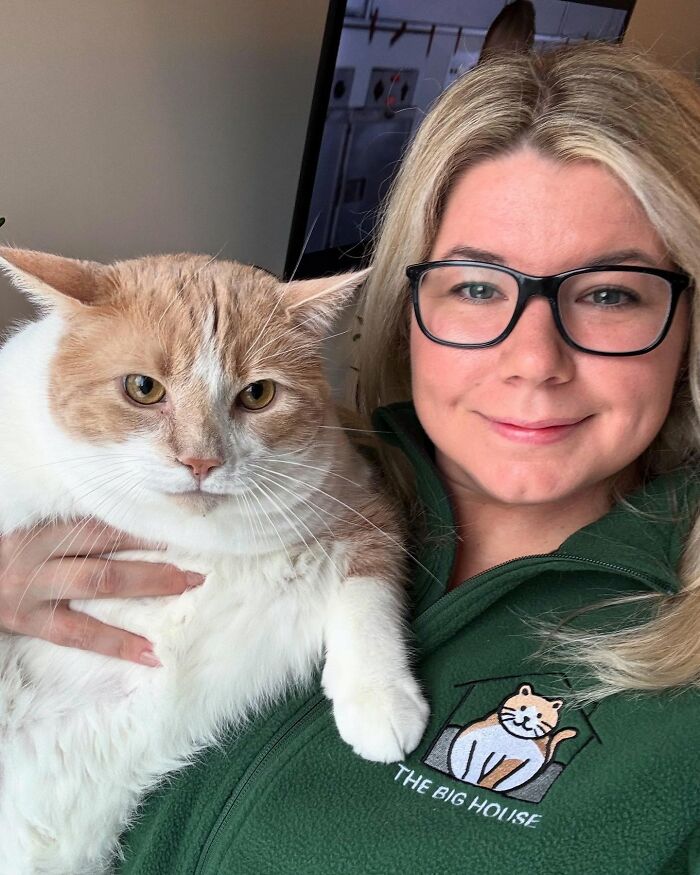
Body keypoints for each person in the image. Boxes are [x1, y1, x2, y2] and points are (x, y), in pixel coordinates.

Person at [2, 41, 700, 873]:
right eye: (478, 287)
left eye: (610, 294)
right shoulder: (311, 461)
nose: (534, 361)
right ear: (409, 307)